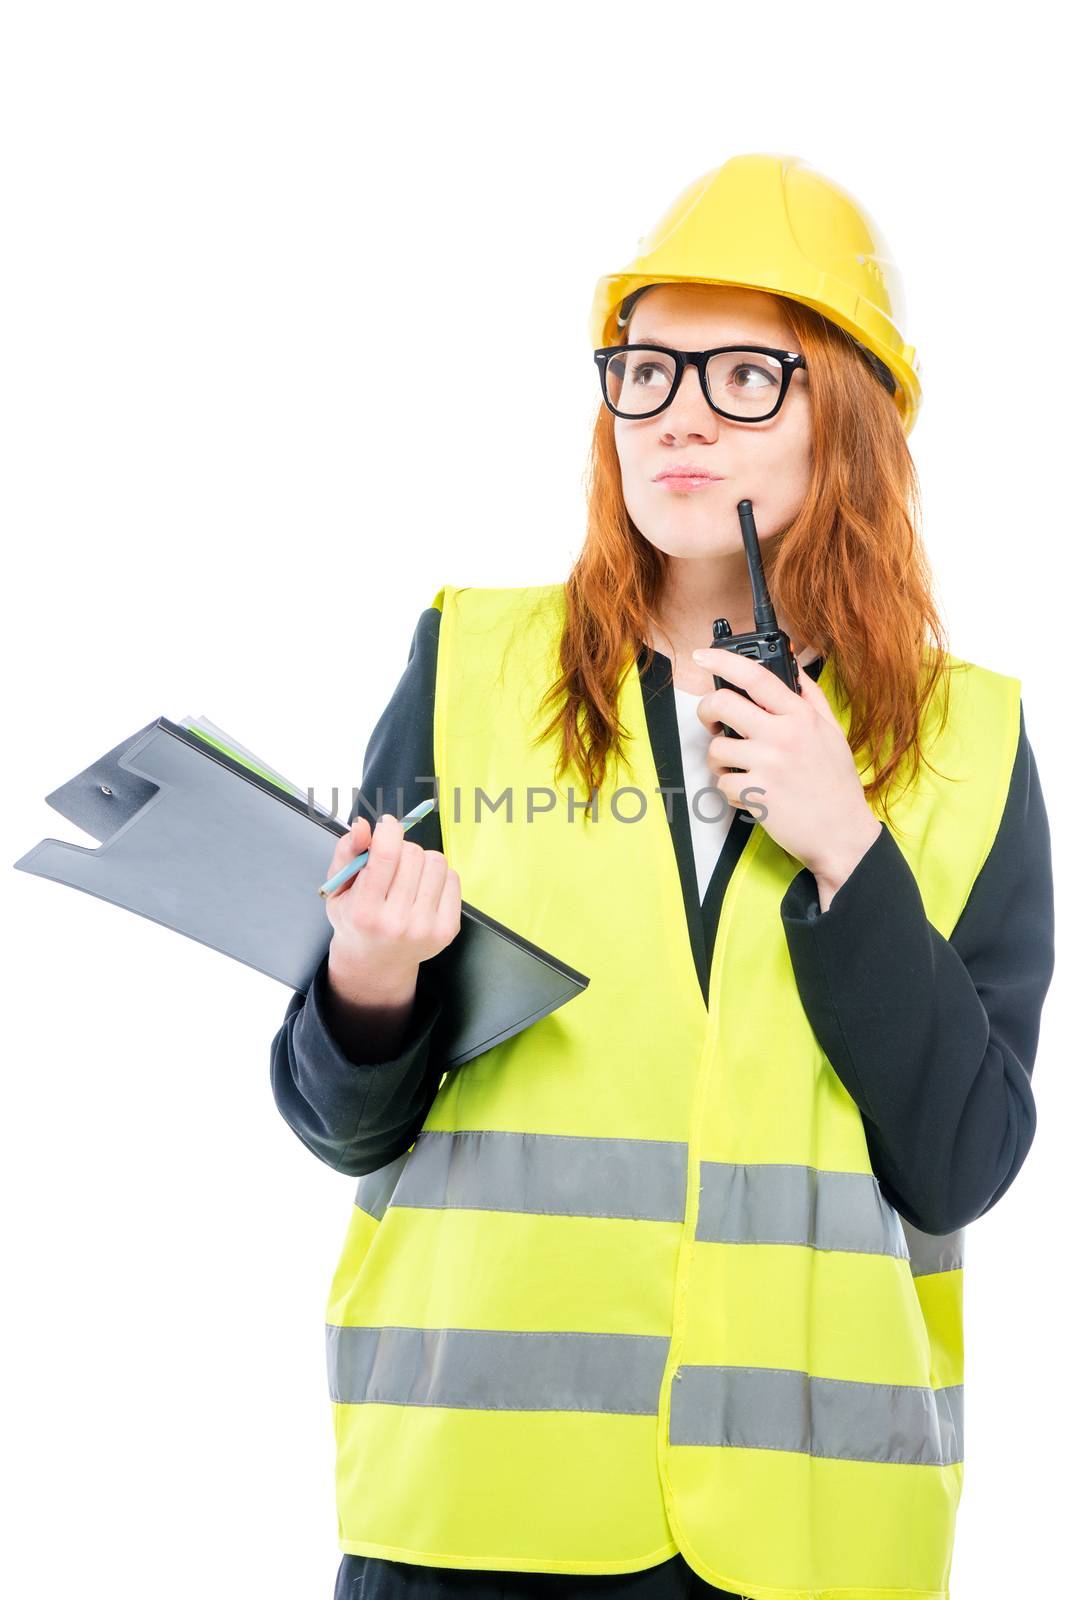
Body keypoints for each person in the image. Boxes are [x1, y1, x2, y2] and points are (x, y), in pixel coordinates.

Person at [271, 153, 1055, 1600]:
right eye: (645, 371)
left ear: (855, 419)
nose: (679, 414)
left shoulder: (970, 745)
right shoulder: (474, 672)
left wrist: (847, 844)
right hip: (475, 1522)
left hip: (810, 1547)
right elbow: (345, 1123)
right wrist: (365, 989)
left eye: (748, 376)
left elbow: (965, 1162)